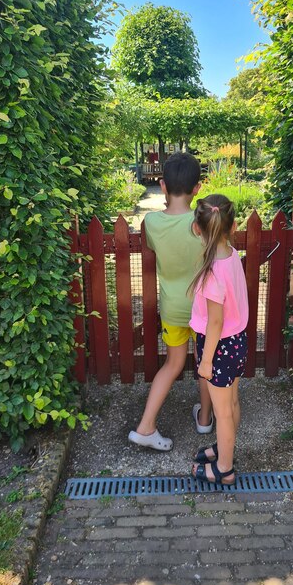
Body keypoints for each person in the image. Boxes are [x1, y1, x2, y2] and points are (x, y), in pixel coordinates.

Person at [128, 152, 213, 451]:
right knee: (206, 363)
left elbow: (153, 246)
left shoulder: (151, 222)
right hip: (205, 306)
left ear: (162, 185)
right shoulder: (202, 222)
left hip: (173, 308)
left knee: (172, 363)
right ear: (197, 187)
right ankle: (204, 419)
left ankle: (146, 426)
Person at [189, 194, 249, 485]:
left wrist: (206, 361)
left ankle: (224, 469)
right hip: (237, 341)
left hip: (219, 347)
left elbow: (215, 321)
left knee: (222, 412)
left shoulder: (212, 271)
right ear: (233, 226)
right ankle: (226, 450)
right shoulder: (232, 256)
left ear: (197, 228)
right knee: (232, 403)